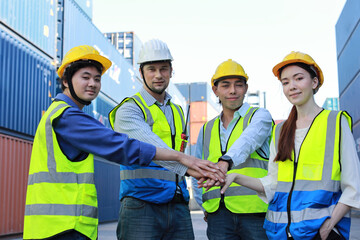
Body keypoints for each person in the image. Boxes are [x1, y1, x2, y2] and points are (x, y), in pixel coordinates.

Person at [23, 45, 222, 240]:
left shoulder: (63, 114)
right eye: (85, 77)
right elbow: (122, 146)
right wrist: (183, 160)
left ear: (171, 71)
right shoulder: (68, 117)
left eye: (97, 79)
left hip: (64, 225)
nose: (92, 84)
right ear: (66, 80)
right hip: (63, 227)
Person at [219, 51, 360, 240]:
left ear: (314, 82)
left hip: (321, 234)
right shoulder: (280, 131)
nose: (291, 87)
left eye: (298, 78)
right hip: (283, 234)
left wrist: (329, 225)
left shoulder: (335, 122)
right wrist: (235, 176)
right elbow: (273, 184)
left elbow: (353, 185)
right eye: (285, 82)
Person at [109, 39, 224, 240]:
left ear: (171, 71)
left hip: (178, 204)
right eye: (151, 69)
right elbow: (153, 148)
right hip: (141, 204)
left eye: (164, 68)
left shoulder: (178, 112)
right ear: (140, 73)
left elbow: (182, 153)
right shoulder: (129, 110)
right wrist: (197, 168)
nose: (158, 75)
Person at [193, 59, 273, 240]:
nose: (232, 91)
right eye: (226, 85)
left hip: (256, 212)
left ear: (245, 88)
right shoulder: (206, 129)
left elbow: (248, 140)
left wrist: (226, 161)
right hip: (218, 216)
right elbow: (198, 170)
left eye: (238, 85)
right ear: (215, 90)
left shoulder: (259, 117)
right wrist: (205, 206)